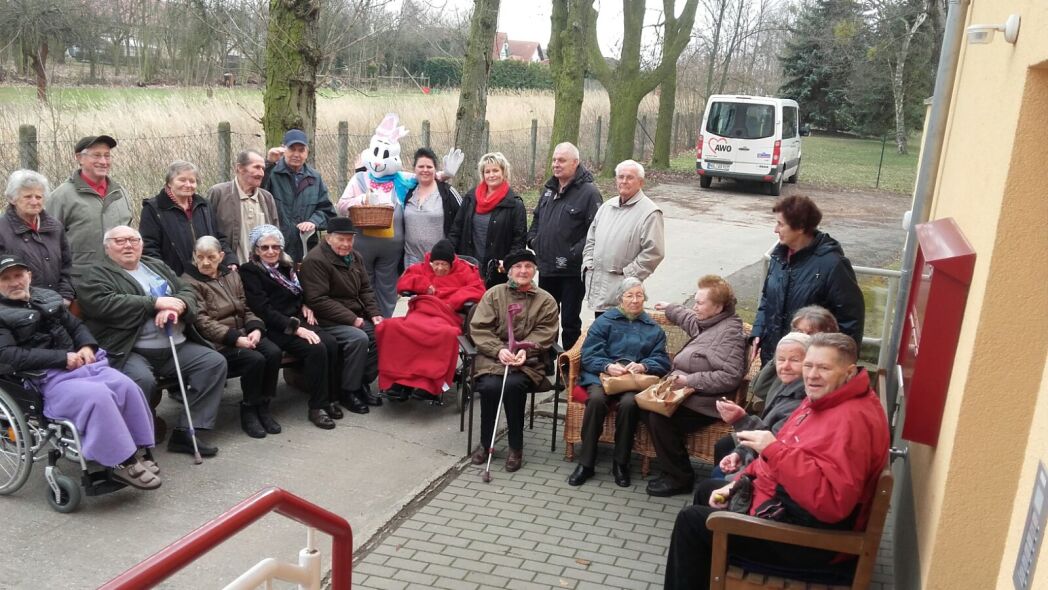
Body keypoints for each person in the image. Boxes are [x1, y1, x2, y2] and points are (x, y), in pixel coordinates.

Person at [663, 333, 890, 590]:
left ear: (848, 372)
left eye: (824, 368)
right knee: (709, 490)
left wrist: (773, 451)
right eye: (809, 366)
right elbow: (777, 452)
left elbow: (831, 504)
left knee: (692, 523)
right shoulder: (826, 400)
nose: (812, 375)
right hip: (783, 508)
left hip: (811, 543)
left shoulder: (850, 422)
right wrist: (736, 483)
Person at [0, 254, 160, 490]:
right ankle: (121, 462)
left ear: (29, 276)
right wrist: (61, 358)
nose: (15, 282)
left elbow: (76, 326)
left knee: (126, 386)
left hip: (82, 366)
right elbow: (7, 355)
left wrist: (87, 346)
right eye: (6, 278)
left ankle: (139, 450)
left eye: (18, 275)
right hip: (45, 379)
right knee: (98, 398)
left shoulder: (48, 297)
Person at [75, 225, 228, 457]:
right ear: (107, 247)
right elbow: (103, 304)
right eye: (120, 241)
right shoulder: (96, 274)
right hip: (130, 349)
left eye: (133, 240)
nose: (128, 245)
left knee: (213, 363)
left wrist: (178, 305)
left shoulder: (155, 265)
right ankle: (131, 439)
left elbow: (187, 290)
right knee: (141, 381)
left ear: (141, 244)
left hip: (175, 345)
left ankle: (188, 431)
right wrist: (155, 304)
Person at [646, 275, 746, 497]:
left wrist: (689, 381)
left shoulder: (729, 334)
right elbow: (690, 319)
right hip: (688, 396)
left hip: (707, 403)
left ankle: (680, 477)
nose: (695, 306)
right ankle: (670, 468)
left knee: (659, 418)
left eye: (700, 303)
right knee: (647, 409)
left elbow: (730, 376)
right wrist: (671, 308)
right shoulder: (711, 323)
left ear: (718, 307)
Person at [239, 225, 344, 430]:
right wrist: (296, 329)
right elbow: (263, 309)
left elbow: (299, 292)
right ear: (256, 250)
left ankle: (331, 398)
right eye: (265, 247)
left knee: (331, 343)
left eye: (275, 247)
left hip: (296, 319)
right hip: (274, 327)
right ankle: (317, 406)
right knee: (316, 348)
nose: (271, 251)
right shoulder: (250, 271)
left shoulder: (286, 266)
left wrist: (306, 304)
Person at [568, 277, 670, 488]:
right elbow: (588, 354)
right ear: (620, 299)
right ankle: (586, 463)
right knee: (595, 399)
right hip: (601, 376)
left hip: (634, 381)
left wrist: (644, 366)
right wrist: (607, 366)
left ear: (644, 298)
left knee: (629, 403)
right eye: (629, 295)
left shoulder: (653, 329)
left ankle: (620, 462)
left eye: (639, 295)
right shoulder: (605, 321)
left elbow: (662, 360)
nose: (635, 300)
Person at [184, 236, 284, 438]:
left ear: (221, 256)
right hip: (217, 341)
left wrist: (256, 329)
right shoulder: (189, 282)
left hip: (244, 332)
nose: (205, 262)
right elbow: (202, 322)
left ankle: (264, 405)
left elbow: (246, 307)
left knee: (273, 352)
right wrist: (235, 339)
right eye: (200, 257)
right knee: (254, 360)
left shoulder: (231, 276)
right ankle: (249, 409)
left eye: (211, 257)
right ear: (194, 256)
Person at [468, 250, 559, 472]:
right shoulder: (494, 294)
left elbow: (546, 332)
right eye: (518, 267)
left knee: (512, 385)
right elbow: (480, 328)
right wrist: (498, 350)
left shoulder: (545, 300)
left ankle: (515, 447)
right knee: (490, 387)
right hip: (492, 358)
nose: (523, 271)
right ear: (509, 271)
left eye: (528, 266)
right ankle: (486, 442)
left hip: (527, 361)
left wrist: (525, 351)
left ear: (535, 270)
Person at [752, 195, 864, 366]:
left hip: (810, 365)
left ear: (800, 227)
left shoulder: (833, 265)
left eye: (781, 224)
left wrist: (838, 363)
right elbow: (767, 299)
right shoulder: (779, 257)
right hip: (776, 358)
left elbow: (851, 320)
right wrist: (758, 332)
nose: (775, 230)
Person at [378, 239, 486, 401]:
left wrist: (453, 300)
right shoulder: (422, 268)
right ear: (430, 262)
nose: (439, 268)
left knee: (442, 333)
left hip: (447, 314)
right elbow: (402, 283)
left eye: (444, 264)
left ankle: (429, 382)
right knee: (392, 327)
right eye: (436, 264)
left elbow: (479, 291)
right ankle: (400, 380)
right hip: (421, 311)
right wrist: (423, 285)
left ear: (452, 263)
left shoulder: (466, 271)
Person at [299, 216, 384, 414]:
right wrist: (351, 319)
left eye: (350, 239)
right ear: (328, 238)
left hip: (356, 314)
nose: (346, 244)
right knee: (358, 339)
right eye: (341, 239)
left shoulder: (355, 257)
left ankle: (362, 382)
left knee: (385, 333)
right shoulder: (315, 260)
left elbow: (365, 289)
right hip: (327, 319)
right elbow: (317, 301)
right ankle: (348, 391)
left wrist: (375, 314)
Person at [527, 142, 602, 350]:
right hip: (547, 268)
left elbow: (595, 231)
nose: (556, 164)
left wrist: (572, 255)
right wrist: (533, 241)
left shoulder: (589, 193)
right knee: (546, 320)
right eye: (554, 160)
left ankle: (568, 367)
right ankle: (546, 364)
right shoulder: (549, 189)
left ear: (575, 163)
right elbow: (537, 218)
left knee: (569, 323)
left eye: (561, 160)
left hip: (571, 273)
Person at [712, 332, 811, 479]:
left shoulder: (801, 399)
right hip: (759, 454)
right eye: (781, 359)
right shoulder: (785, 385)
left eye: (795, 360)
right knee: (722, 455)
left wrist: (741, 420)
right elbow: (758, 387)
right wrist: (740, 453)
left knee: (711, 484)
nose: (786, 366)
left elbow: (772, 444)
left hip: (769, 472)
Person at [45, 134, 134, 281]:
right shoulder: (61, 196)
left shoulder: (121, 193)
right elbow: (49, 243)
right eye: (97, 156)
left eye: (107, 156)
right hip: (80, 281)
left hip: (120, 277)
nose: (103, 161)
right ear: (79, 158)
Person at [583, 160, 665, 316]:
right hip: (600, 289)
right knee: (601, 334)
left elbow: (654, 252)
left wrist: (628, 275)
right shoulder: (607, 207)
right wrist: (588, 263)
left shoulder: (650, 212)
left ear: (641, 182)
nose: (624, 181)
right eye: (620, 177)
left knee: (620, 336)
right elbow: (591, 239)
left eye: (629, 177)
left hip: (625, 295)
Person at [140, 161, 237, 276]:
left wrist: (230, 259)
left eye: (192, 181)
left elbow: (218, 236)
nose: (188, 185)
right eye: (182, 180)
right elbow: (149, 248)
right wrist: (166, 275)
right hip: (175, 277)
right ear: (169, 183)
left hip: (207, 274)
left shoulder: (204, 206)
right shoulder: (153, 209)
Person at [448, 152, 527, 289]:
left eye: (495, 170)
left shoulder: (514, 204)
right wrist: (448, 254)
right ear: (482, 174)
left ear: (503, 172)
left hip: (498, 271)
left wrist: (509, 262)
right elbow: (456, 229)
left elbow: (519, 240)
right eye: (487, 171)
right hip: (469, 267)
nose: (491, 175)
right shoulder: (471, 198)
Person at [262, 129, 336, 262]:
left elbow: (328, 212)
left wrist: (313, 222)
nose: (296, 154)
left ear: (307, 153)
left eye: (301, 150)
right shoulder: (272, 173)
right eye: (292, 149)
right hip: (275, 247)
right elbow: (257, 194)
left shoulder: (315, 178)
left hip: (306, 248)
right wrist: (268, 163)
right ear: (283, 149)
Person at [0, 170, 74, 303]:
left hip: (57, 304)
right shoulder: (2, 229)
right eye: (28, 197)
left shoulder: (55, 227)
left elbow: (67, 266)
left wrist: (65, 296)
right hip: (17, 308)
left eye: (39, 197)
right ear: (13, 199)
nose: (34, 202)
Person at [751, 305, 838, 401]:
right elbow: (759, 388)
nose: (801, 336)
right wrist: (778, 357)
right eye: (799, 331)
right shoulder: (788, 362)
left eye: (810, 333)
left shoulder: (814, 372)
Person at [206, 150, 280, 262]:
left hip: (261, 271)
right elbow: (208, 231)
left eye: (263, 169)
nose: (261, 173)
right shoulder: (218, 193)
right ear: (240, 168)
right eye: (256, 167)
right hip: (230, 269)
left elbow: (275, 235)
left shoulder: (267, 198)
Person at [402, 147, 462, 267]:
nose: (425, 170)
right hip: (411, 259)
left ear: (435, 169)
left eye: (429, 167)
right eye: (421, 166)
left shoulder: (447, 193)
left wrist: (449, 248)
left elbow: (461, 221)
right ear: (414, 169)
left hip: (438, 262)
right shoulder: (407, 191)